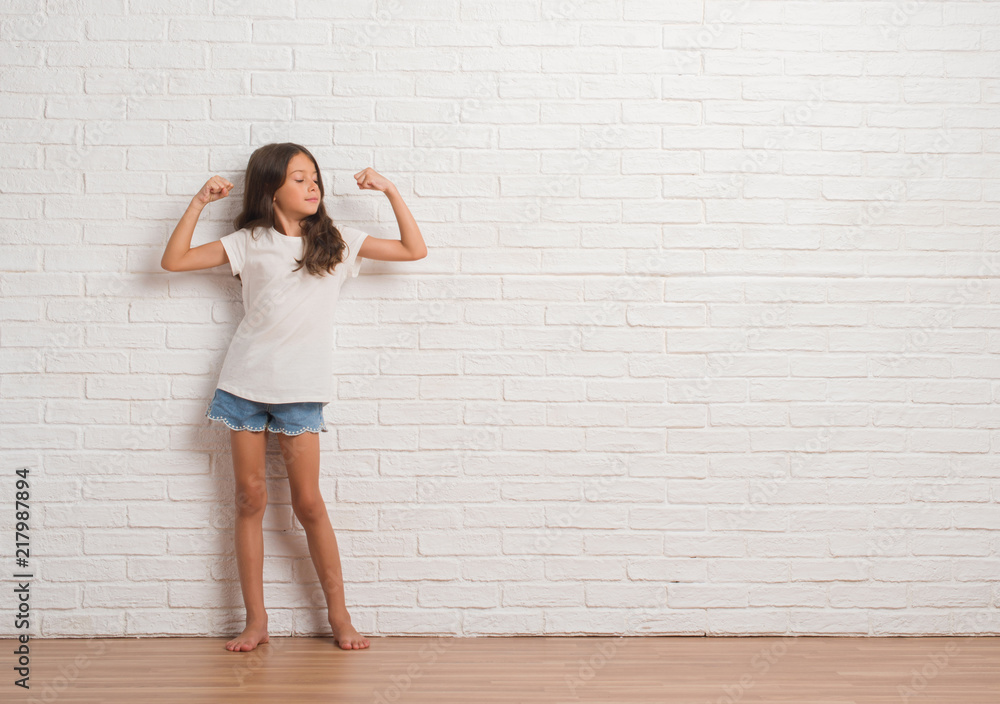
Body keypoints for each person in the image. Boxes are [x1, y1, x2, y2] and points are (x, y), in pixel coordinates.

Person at [160, 142, 427, 652]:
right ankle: (256, 621)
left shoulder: (338, 240)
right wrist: (198, 203)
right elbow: (173, 261)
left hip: (301, 391)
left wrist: (390, 190)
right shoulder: (250, 241)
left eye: (315, 179)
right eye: (299, 178)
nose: (313, 187)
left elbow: (414, 250)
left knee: (308, 505)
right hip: (243, 386)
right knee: (248, 501)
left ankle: (340, 617)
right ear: (271, 188)